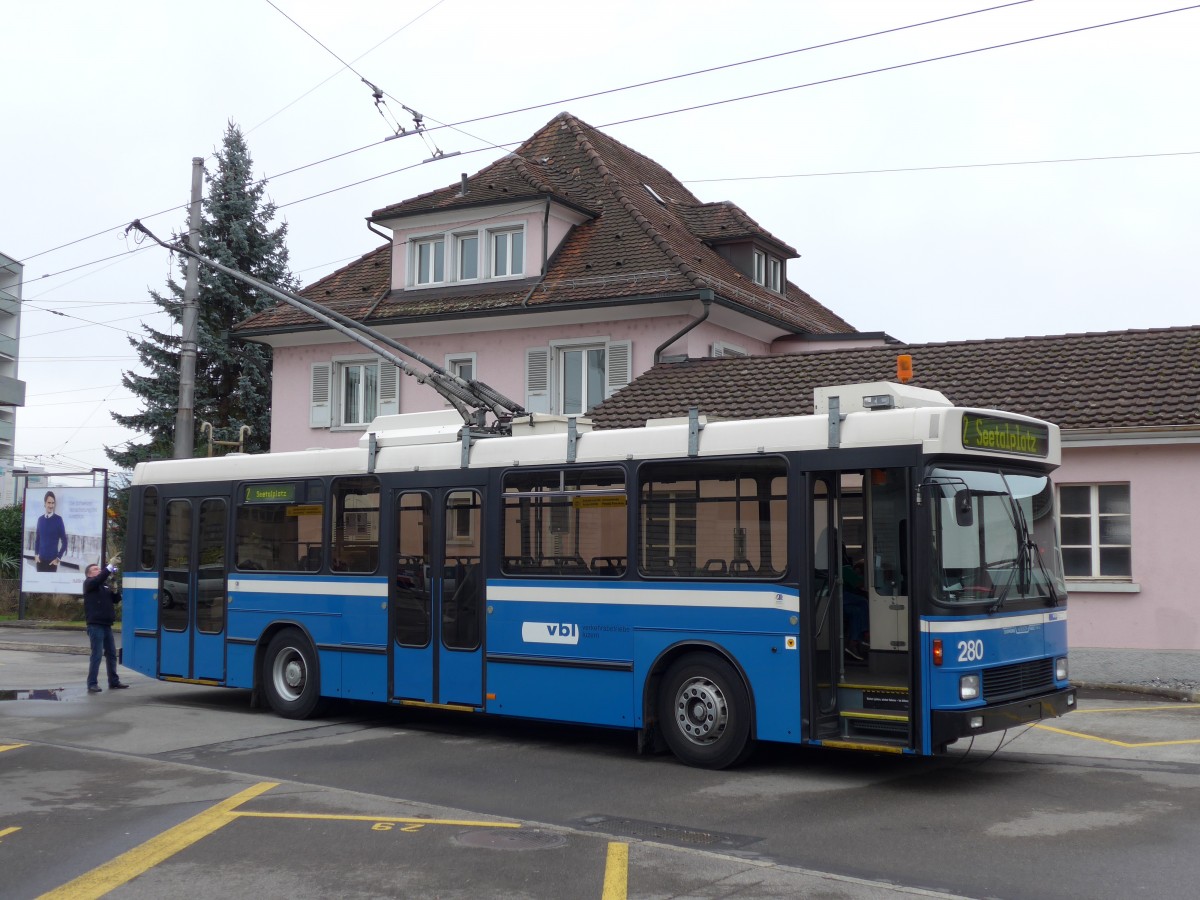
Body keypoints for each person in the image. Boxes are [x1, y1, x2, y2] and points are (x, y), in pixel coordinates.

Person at [84, 561, 129, 693]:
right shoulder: (89, 584)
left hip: (106, 625)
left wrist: (115, 589)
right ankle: (92, 683)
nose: (98, 570)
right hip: (95, 625)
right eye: (95, 569)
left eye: (99, 569)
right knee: (96, 654)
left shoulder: (104, 586)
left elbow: (116, 599)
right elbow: (99, 578)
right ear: (89, 574)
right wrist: (109, 567)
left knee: (111, 654)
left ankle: (114, 681)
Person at [842, 554, 870, 661]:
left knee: (857, 612)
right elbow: (860, 584)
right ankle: (866, 634)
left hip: (846, 604)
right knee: (863, 602)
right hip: (840, 598)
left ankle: (853, 643)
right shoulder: (846, 570)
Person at [34, 490, 69, 573]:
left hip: (52, 563)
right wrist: (36, 555)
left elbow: (65, 542)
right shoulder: (40, 520)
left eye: (53, 503)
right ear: (45, 503)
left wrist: (58, 559)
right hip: (40, 562)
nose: (51, 505)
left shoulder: (58, 520)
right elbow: (37, 540)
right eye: (49, 503)